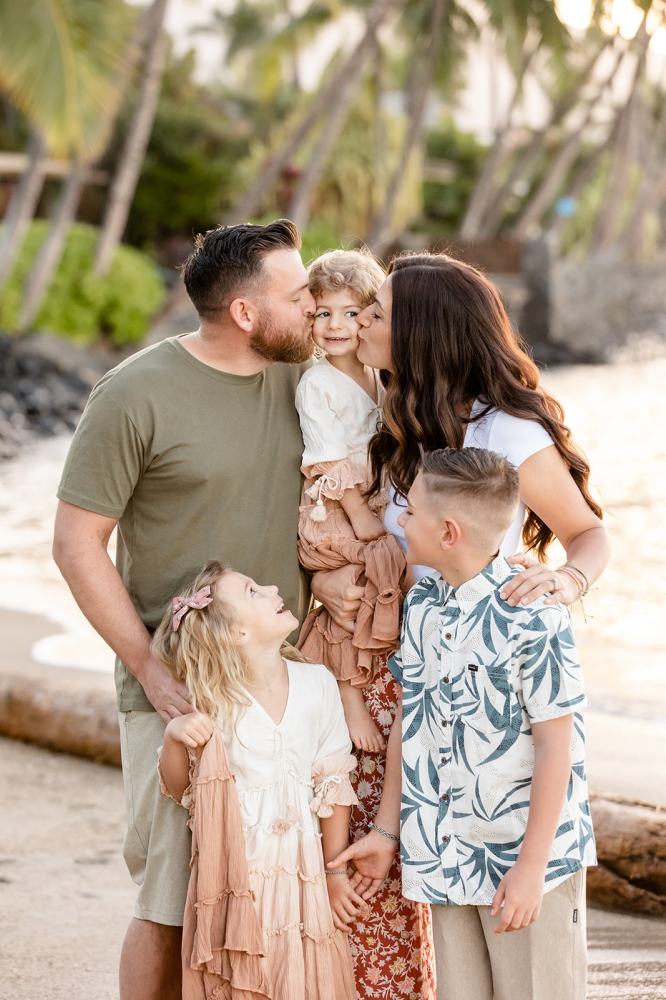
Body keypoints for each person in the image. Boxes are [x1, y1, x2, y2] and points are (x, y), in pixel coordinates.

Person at [52, 219, 316, 1000]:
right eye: (298, 295)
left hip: (291, 694)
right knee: (170, 905)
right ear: (245, 312)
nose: (313, 308)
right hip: (179, 696)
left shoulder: (306, 382)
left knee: (276, 902)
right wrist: (149, 670)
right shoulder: (135, 392)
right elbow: (75, 544)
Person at [333, 447, 596, 1000]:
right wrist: (386, 832)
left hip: (523, 861)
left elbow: (558, 750)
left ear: (448, 531)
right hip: (443, 851)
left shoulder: (537, 618)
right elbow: (413, 716)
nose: (400, 521)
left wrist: (531, 870)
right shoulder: (423, 604)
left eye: (411, 513)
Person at [153, 560, 361, 1000]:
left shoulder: (317, 682)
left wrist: (334, 872)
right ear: (237, 634)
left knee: (305, 981)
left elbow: (333, 783)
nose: (271, 585)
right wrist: (175, 737)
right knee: (249, 983)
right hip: (239, 881)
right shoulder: (213, 698)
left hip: (303, 878)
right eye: (252, 591)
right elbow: (179, 789)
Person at [295, 249, 406, 753]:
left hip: (367, 505)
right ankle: (346, 689)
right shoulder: (318, 384)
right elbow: (328, 460)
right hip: (335, 513)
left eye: (351, 313)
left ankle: (369, 672)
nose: (336, 326)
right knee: (360, 580)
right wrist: (363, 518)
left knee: (375, 581)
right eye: (323, 314)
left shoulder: (376, 374)